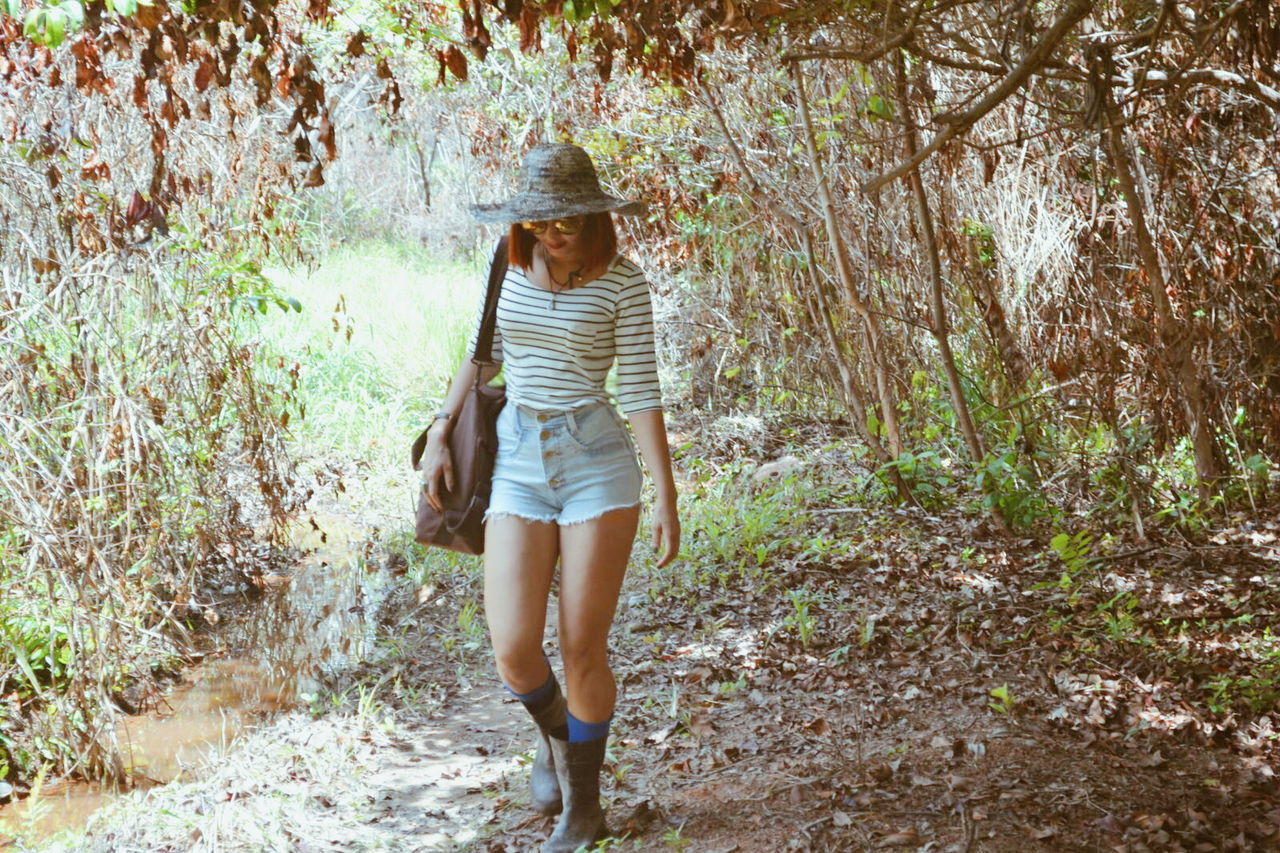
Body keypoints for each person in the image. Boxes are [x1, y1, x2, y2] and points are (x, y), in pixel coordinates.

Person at [420, 143, 680, 852]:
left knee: (581, 644)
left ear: (594, 213)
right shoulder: (505, 269)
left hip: (597, 460)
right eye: (538, 220)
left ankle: (584, 809)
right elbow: (480, 359)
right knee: (512, 648)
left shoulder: (623, 283)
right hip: (519, 463)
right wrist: (442, 431)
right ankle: (561, 736)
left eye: (566, 218)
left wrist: (665, 491)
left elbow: (641, 391)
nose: (552, 231)